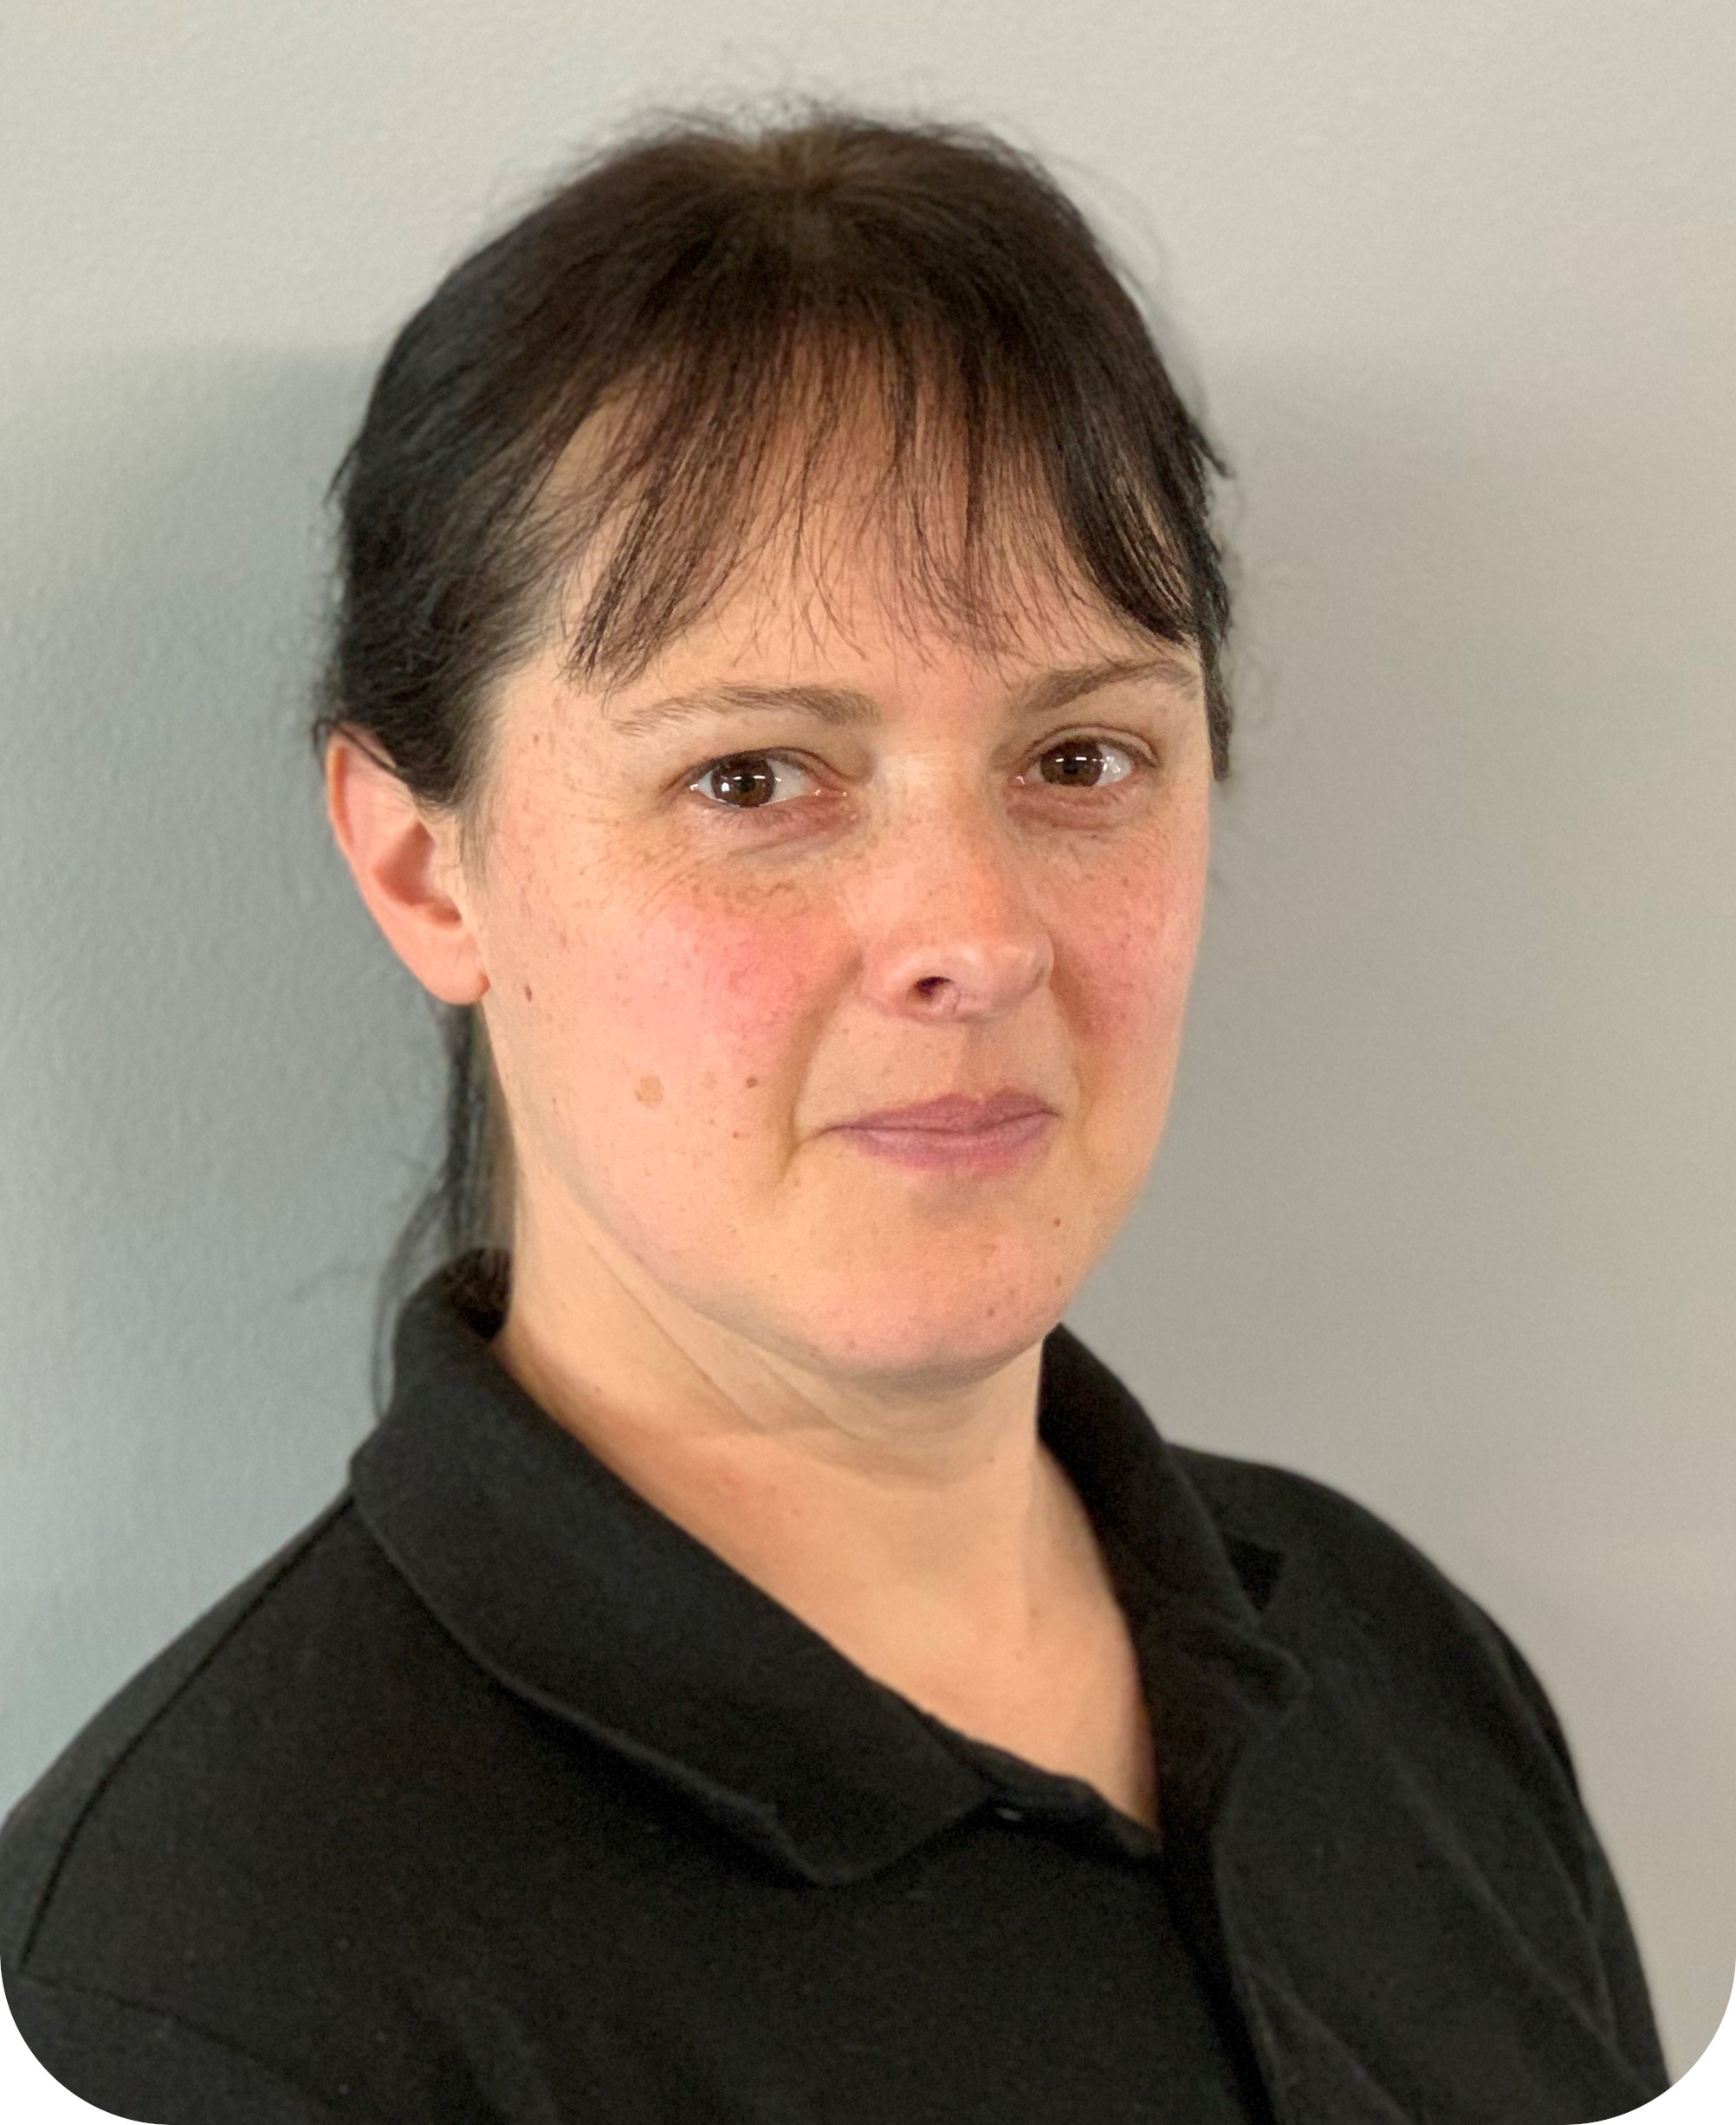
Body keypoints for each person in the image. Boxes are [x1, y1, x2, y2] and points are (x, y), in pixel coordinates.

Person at [0, 110, 1668, 2125]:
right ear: (428, 869)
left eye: (1080, 755)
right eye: (753, 779)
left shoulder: (1399, 1660)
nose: (976, 936)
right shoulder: (189, 1999)